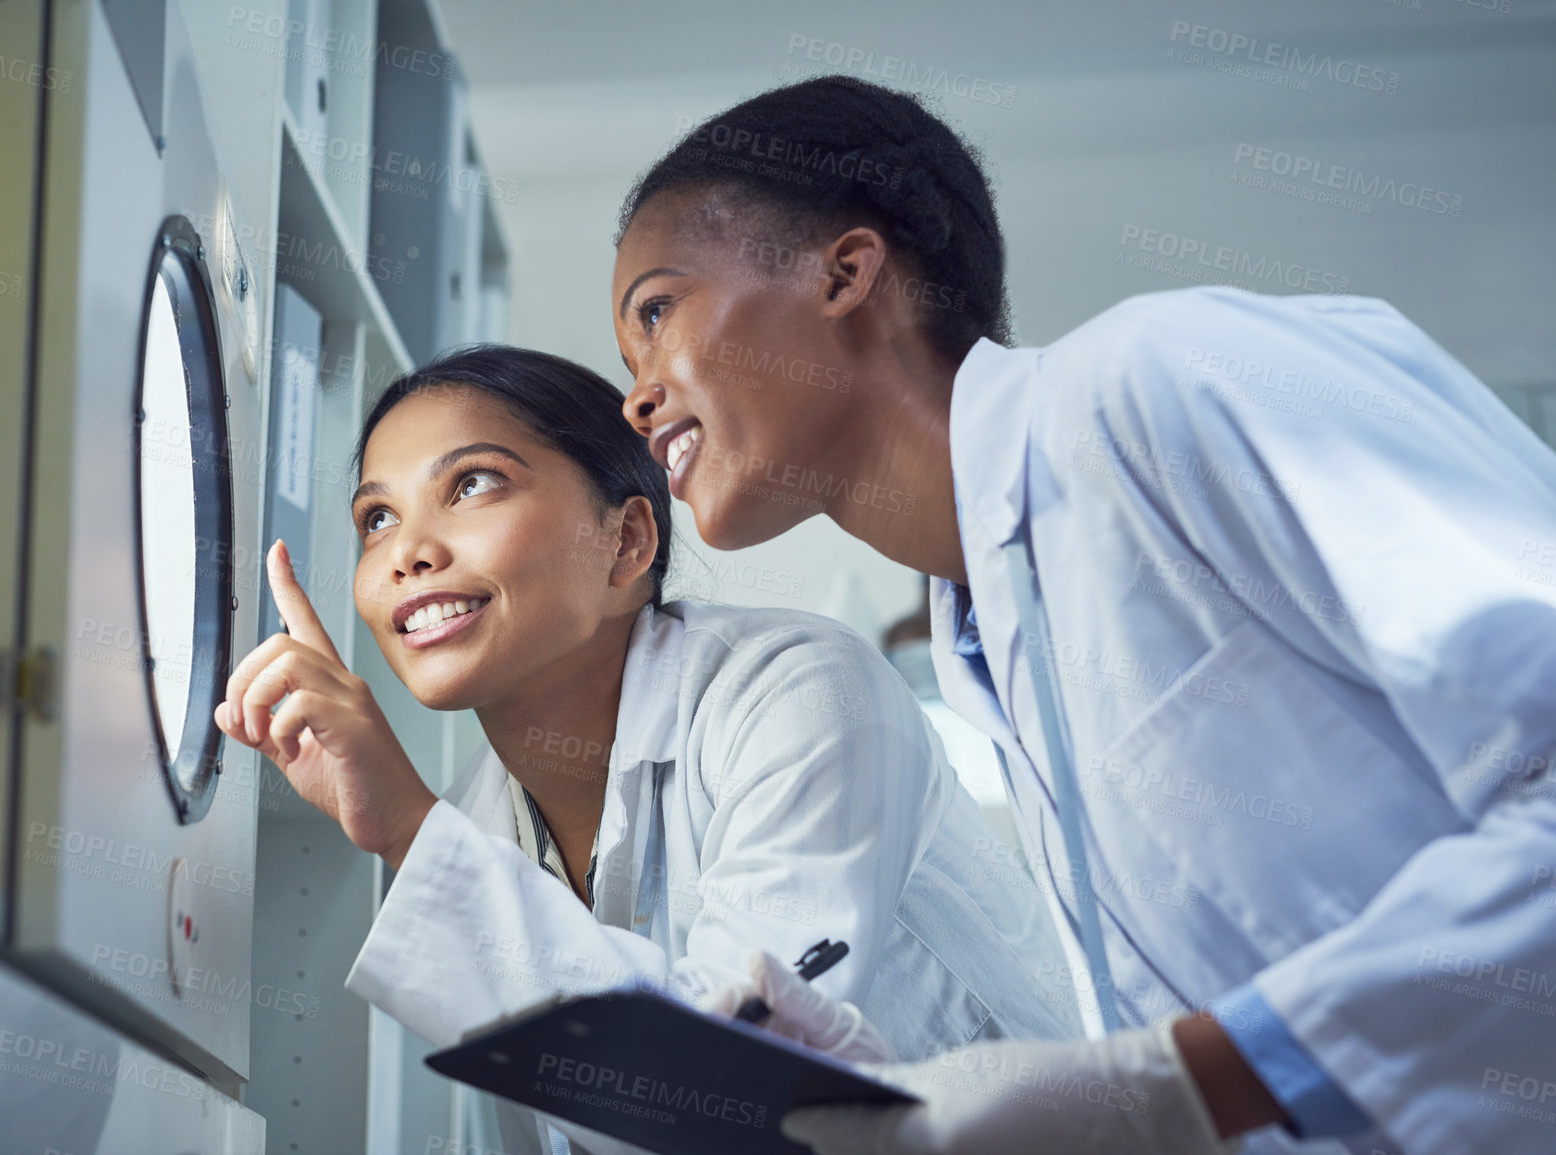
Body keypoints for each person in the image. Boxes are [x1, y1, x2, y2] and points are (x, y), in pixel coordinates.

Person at [609, 75, 1556, 1155]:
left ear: (847, 272)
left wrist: (1171, 1086)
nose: (634, 395)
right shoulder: (984, 635)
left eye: (657, 310)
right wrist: (921, 1105)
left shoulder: (1161, 379)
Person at [212, 345, 1078, 1155]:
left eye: (472, 483)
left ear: (626, 541)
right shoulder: (479, 816)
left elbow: (731, 1089)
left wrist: (405, 825)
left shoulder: (801, 691)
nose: (407, 552)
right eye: (376, 517)